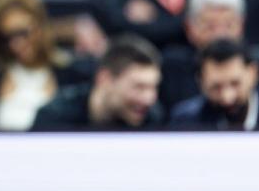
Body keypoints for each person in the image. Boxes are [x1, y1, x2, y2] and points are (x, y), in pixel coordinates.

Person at [0, 0, 91, 130]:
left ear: (40, 26)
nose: (16, 44)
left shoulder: (74, 75)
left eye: (22, 33)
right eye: (7, 37)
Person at [159, 0, 259, 112]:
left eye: (228, 25)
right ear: (190, 28)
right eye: (210, 26)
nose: (220, 35)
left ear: (241, 25)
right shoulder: (174, 67)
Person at [32, 34, 163, 130]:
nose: (149, 99)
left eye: (154, 87)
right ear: (104, 79)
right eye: (139, 87)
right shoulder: (55, 118)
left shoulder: (151, 118)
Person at [169, 38, 259, 131]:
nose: (227, 97)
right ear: (200, 81)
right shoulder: (186, 120)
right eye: (216, 87)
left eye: (235, 84)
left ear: (253, 73)